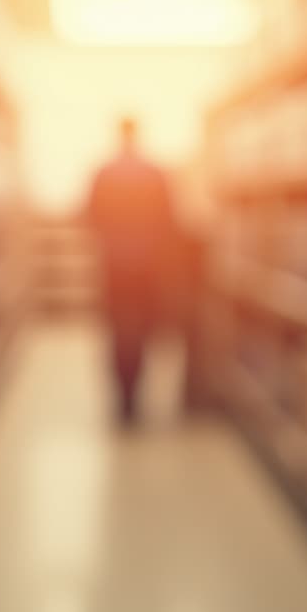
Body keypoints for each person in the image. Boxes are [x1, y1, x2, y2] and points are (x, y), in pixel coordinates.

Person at [86, 117, 179, 425]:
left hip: (113, 264)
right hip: (147, 265)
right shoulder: (156, 173)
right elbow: (170, 220)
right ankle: (136, 396)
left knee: (117, 329)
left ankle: (122, 401)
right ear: (137, 135)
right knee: (142, 330)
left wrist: (110, 239)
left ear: (119, 135)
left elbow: (88, 216)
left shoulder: (103, 172)